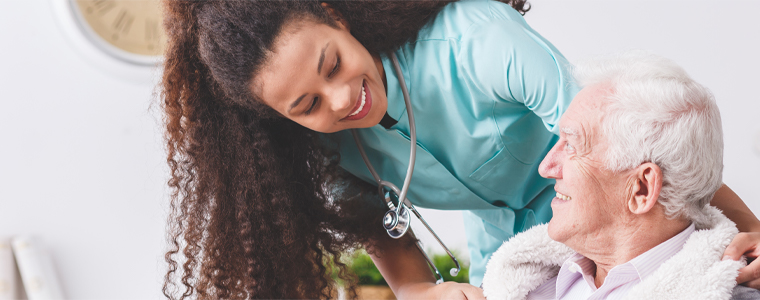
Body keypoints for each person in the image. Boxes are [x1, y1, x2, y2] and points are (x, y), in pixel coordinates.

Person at [159, 1, 760, 299]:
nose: (341, 101)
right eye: (307, 106)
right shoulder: (337, 153)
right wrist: (423, 292)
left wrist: (748, 226)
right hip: (509, 251)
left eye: (332, 65)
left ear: (335, 17)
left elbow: (631, 143)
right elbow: (389, 243)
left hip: (608, 208)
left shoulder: (478, 40)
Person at [482, 51, 760, 300]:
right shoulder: (519, 282)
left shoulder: (732, 293)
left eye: (571, 145)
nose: (546, 167)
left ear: (640, 189)